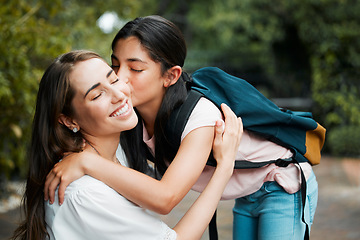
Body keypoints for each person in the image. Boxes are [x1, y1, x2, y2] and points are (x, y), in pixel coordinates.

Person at [44, 16, 319, 239]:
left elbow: (164, 198)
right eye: (115, 65)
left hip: (281, 185)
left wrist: (85, 163)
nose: (120, 79)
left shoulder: (199, 118)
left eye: (135, 69)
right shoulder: (130, 116)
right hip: (246, 192)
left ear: (171, 75)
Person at [11, 50, 243, 240]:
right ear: (69, 120)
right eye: (96, 95)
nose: (119, 94)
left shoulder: (108, 152)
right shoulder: (84, 193)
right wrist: (224, 168)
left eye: (113, 79)